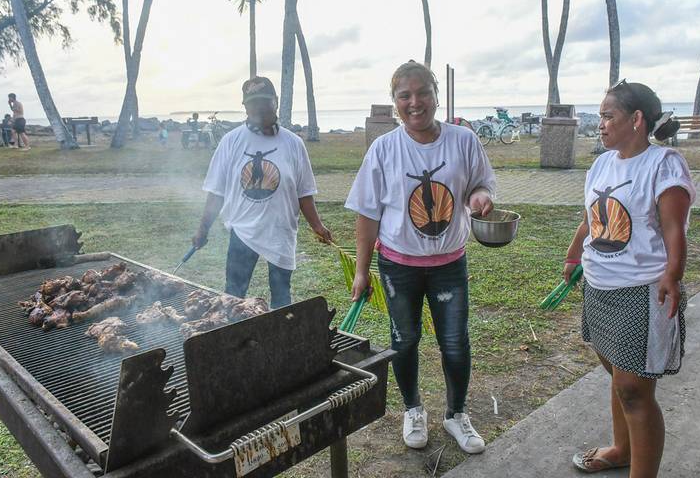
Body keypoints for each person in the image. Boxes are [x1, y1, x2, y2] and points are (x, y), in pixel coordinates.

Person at [345, 61, 496, 454]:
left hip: (449, 264)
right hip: (398, 266)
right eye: (404, 96)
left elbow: (481, 184)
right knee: (404, 340)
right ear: (395, 103)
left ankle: (456, 414)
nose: (415, 102)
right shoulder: (384, 149)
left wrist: (481, 197)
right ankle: (413, 409)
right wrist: (362, 272)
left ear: (436, 95)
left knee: (455, 343)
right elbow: (368, 214)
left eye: (422, 92)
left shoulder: (463, 140)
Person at [563, 80, 695, 476]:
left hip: (643, 291)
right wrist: (573, 255)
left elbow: (675, 229)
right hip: (600, 288)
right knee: (618, 376)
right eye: (601, 116)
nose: (600, 124)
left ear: (636, 119)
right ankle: (622, 449)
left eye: (608, 116)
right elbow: (591, 218)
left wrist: (673, 275)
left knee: (634, 390)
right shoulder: (602, 164)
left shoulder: (663, 164)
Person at [192, 77, 332, 309]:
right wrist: (202, 229)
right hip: (243, 231)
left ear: (275, 102)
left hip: (281, 231)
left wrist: (317, 226)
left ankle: (280, 337)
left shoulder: (294, 143)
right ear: (245, 107)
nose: (259, 108)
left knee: (281, 295)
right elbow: (217, 192)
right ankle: (232, 336)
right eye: (253, 103)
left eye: (265, 101)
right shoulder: (231, 141)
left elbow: (304, 192)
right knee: (234, 293)